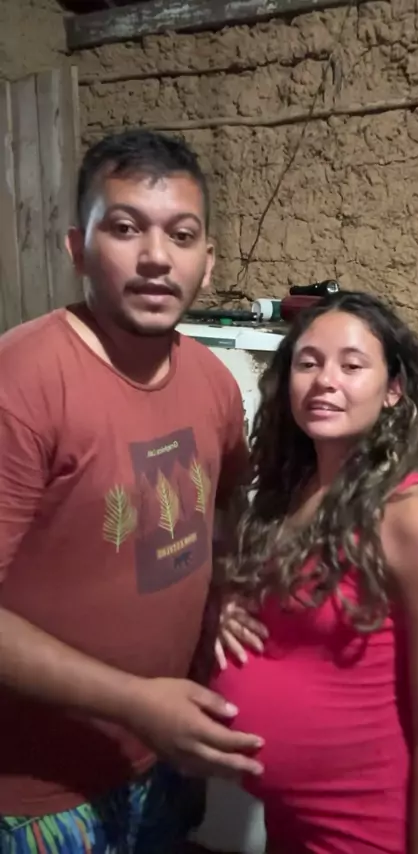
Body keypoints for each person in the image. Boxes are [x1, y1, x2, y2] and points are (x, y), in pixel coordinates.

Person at [0, 129, 264, 853]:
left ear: (207, 261)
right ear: (77, 249)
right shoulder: (23, 383)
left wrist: (225, 590)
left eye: (181, 235)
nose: (156, 257)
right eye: (124, 228)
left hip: (164, 760)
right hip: (38, 796)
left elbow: (224, 511)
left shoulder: (213, 381)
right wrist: (137, 703)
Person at [212, 290, 418, 854]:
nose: (325, 381)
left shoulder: (415, 521)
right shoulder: (290, 495)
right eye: (308, 363)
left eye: (352, 366)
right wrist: (228, 605)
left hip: (366, 830)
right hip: (288, 827)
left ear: (393, 389)